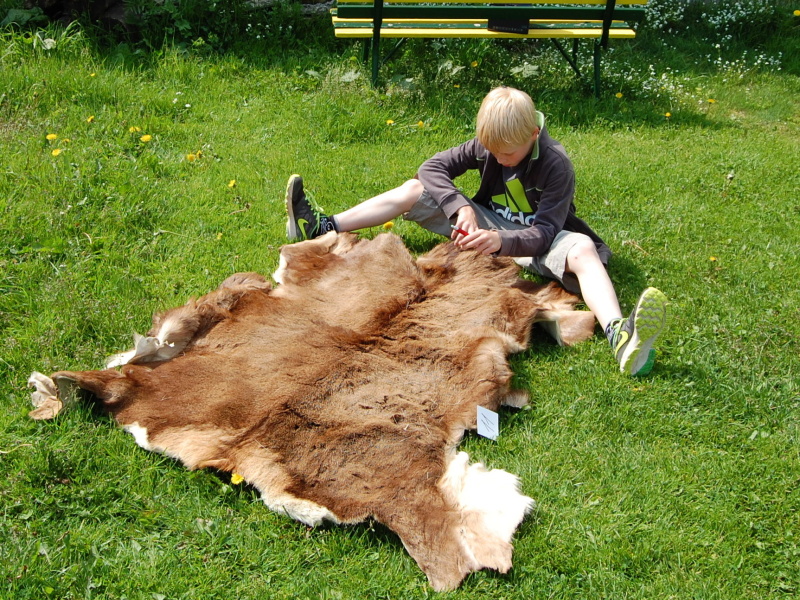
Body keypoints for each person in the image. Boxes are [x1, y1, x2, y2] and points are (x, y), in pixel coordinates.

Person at [284, 86, 667, 376]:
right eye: (492, 151)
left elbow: (547, 232)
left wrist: (502, 241)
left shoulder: (556, 164)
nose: (499, 159)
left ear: (534, 134)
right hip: (486, 227)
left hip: (537, 241)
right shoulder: (491, 144)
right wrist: (461, 207)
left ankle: (619, 335)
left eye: (508, 154)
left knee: (582, 249)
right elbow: (431, 168)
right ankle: (321, 227)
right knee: (414, 188)